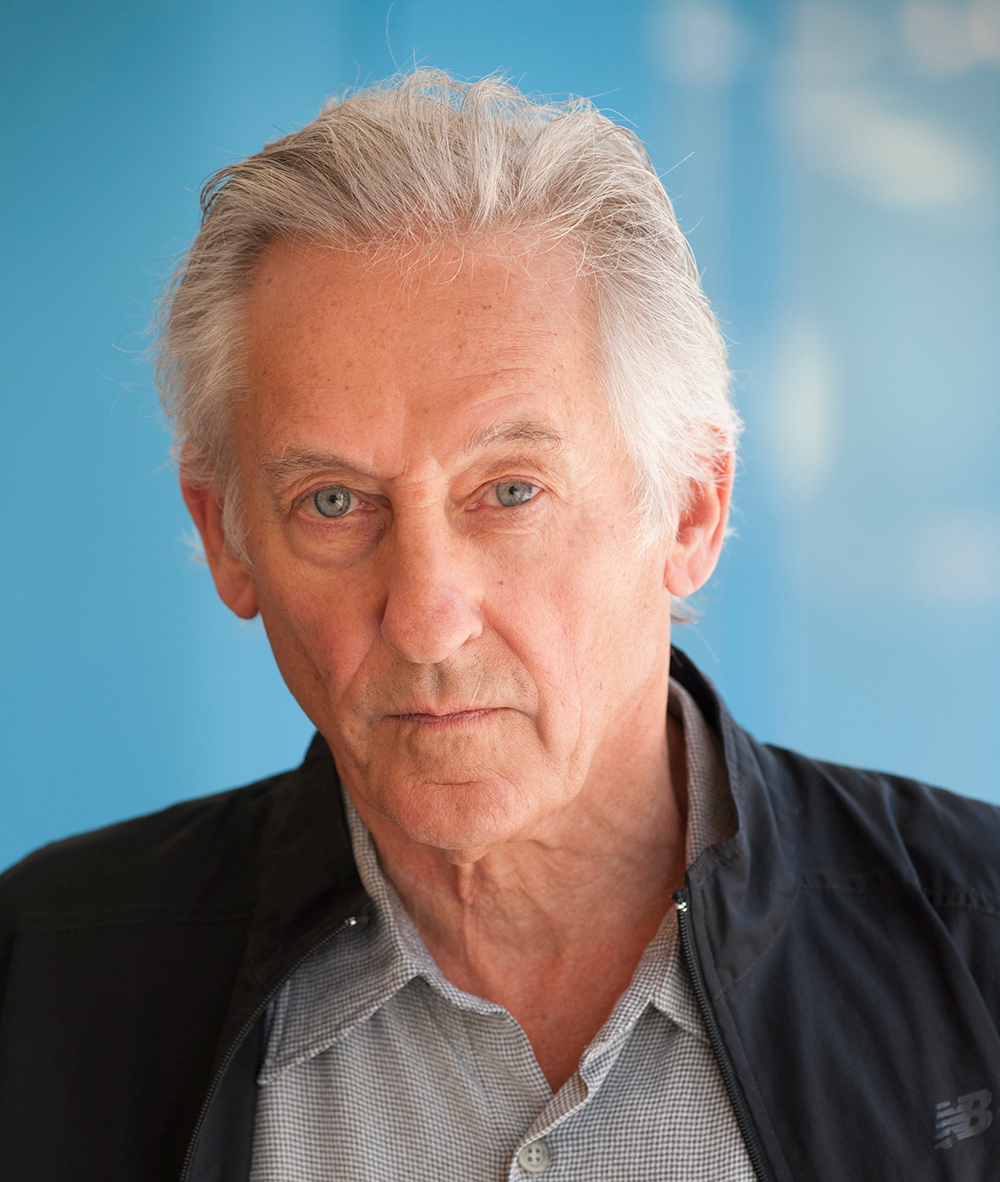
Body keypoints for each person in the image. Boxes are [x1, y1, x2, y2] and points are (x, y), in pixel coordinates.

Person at [1, 69, 998, 1182]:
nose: (426, 621)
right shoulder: (40, 981)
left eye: (510, 491)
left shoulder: (980, 955)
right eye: (334, 502)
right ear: (227, 537)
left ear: (691, 508)